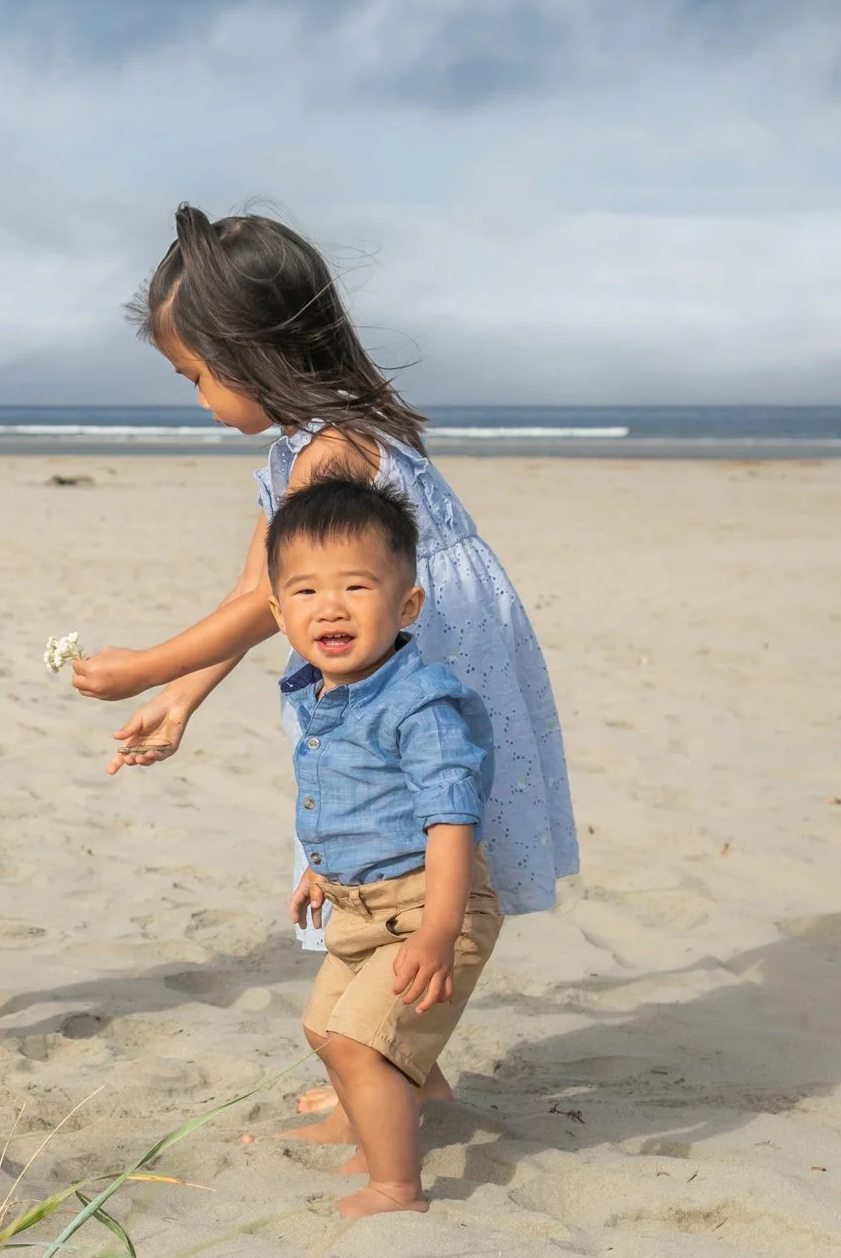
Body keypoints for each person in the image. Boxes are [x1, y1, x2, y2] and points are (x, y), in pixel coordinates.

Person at [70, 204, 579, 1128]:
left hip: (418, 670)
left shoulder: (337, 452)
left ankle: (393, 1062)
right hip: (378, 671)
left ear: (254, 354)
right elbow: (259, 583)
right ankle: (401, 1069)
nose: (199, 402)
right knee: (372, 840)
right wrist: (182, 700)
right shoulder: (301, 448)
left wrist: (145, 666)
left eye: (197, 378)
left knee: (415, 845)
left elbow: (270, 608)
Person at [263, 475, 503, 1216]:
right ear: (278, 611)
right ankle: (364, 1118)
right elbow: (340, 801)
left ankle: (397, 1184)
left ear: (406, 606)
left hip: (430, 908)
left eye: (356, 587)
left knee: (366, 1042)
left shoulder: (419, 703)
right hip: (357, 905)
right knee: (325, 1029)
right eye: (304, 591)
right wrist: (316, 871)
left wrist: (439, 929)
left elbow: (450, 819)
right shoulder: (318, 691)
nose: (329, 607)